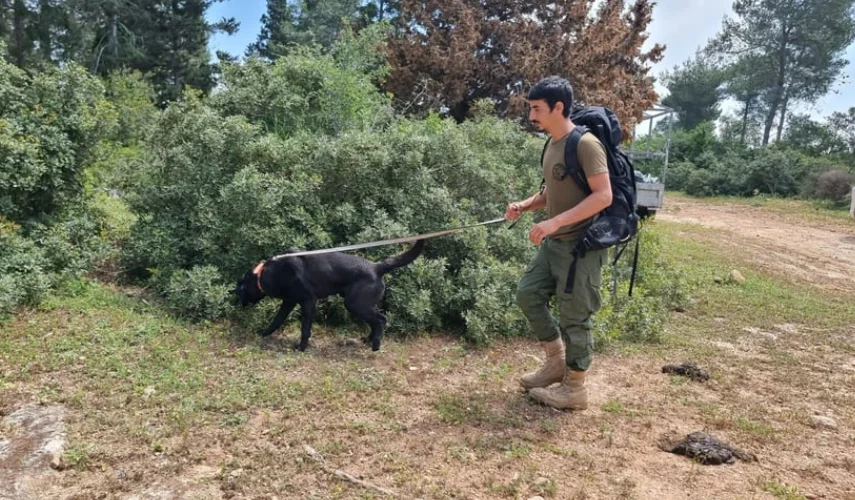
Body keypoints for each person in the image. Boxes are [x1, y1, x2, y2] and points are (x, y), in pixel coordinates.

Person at [505, 76, 612, 410]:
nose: (532, 116)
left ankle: (575, 388)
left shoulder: (586, 144)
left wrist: (554, 222)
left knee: (575, 317)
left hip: (580, 248)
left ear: (558, 107)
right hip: (554, 244)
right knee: (527, 294)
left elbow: (603, 196)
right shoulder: (552, 143)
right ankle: (555, 362)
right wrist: (526, 205)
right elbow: (557, 189)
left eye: (537, 109)